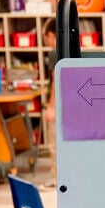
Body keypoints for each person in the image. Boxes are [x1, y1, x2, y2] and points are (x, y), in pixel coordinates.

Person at [42, 18, 57, 188]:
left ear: (51, 35)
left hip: (57, 105)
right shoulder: (71, 49)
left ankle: (56, 179)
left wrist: (51, 107)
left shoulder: (54, 53)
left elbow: (55, 79)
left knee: (54, 145)